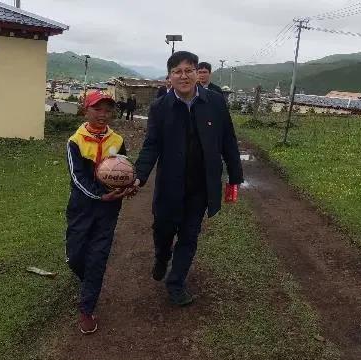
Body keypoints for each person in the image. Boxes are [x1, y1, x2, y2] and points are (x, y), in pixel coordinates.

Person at [133, 51, 243, 306]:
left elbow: (228, 139)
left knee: (189, 235)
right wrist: (139, 176)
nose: (183, 76)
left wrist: (235, 176)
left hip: (201, 185)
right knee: (163, 229)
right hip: (170, 184)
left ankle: (176, 283)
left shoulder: (215, 102)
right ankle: (162, 257)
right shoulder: (160, 107)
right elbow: (151, 145)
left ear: (196, 73)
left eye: (188, 70)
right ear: (170, 77)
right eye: (177, 72)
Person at [65, 92, 134, 334]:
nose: (103, 115)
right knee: (75, 257)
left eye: (108, 110)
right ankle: (89, 282)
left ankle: (87, 309)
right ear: (87, 110)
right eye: (98, 109)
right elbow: (77, 178)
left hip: (108, 209)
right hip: (81, 207)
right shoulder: (75, 141)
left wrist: (128, 186)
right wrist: (98, 195)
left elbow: (124, 168)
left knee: (97, 256)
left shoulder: (117, 139)